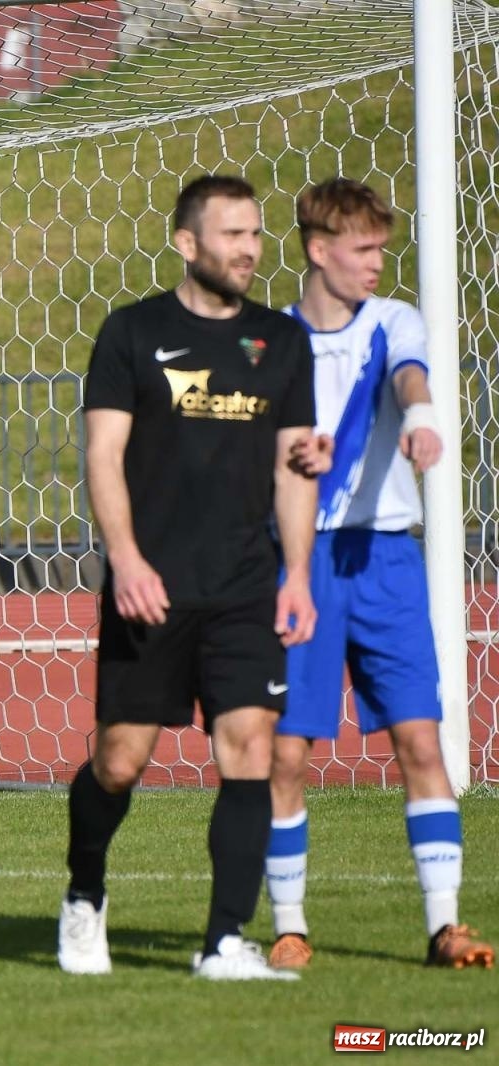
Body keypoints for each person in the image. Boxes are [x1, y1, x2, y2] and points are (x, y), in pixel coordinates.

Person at [58, 174, 320, 980]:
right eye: (232, 234)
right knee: (120, 761)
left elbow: (294, 466)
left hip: (246, 586)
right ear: (187, 242)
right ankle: (84, 896)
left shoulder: (282, 341)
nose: (249, 249)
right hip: (153, 587)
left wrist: (298, 575)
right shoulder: (133, 334)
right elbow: (103, 456)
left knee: (250, 746)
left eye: (255, 234)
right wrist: (126, 559)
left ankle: (222, 942)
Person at [264, 178, 493, 971]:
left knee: (420, 742)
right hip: (300, 562)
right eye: (362, 250)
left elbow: (409, 375)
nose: (375, 264)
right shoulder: (268, 340)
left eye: (380, 250)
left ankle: (444, 928)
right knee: (288, 754)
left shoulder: (394, 320)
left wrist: (425, 423)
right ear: (319, 249)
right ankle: (289, 924)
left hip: (387, 557)